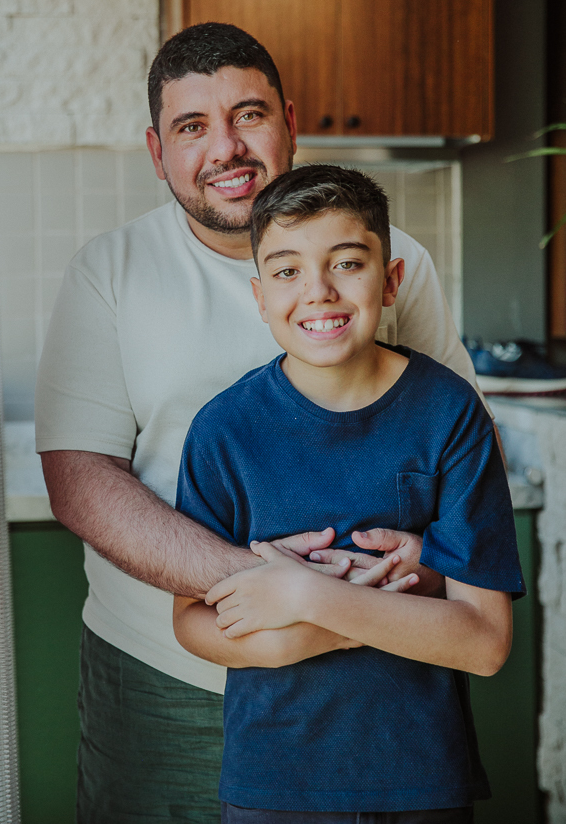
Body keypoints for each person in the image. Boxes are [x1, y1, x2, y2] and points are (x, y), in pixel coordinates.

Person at [35, 23, 490, 823]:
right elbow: (80, 481)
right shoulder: (110, 273)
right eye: (192, 126)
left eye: (248, 115)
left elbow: (458, 441)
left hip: (378, 680)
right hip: (165, 675)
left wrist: (422, 568)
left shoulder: (388, 262)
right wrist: (265, 589)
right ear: (156, 151)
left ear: (289, 121)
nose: (226, 148)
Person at [174, 164, 525, 824]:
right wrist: (303, 635)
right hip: (271, 783)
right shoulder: (223, 430)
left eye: (346, 263)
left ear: (390, 281)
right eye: (287, 271)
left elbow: (484, 643)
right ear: (259, 296)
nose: (319, 291)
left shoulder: (450, 415)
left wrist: (307, 596)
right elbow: (191, 619)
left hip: (420, 779)